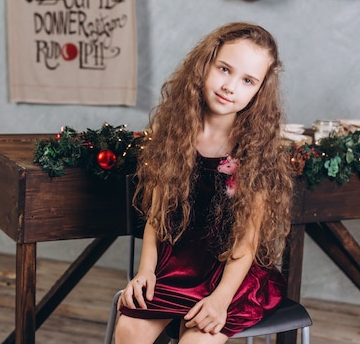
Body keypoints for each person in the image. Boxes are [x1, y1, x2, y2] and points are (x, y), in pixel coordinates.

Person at [115, 22, 294, 344]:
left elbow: (248, 240)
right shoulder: (175, 135)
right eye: (224, 69)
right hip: (178, 265)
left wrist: (222, 299)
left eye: (247, 80)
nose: (230, 86)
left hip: (231, 275)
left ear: (259, 90)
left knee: (197, 339)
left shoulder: (256, 152)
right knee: (129, 330)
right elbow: (156, 216)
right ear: (205, 64)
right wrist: (145, 271)